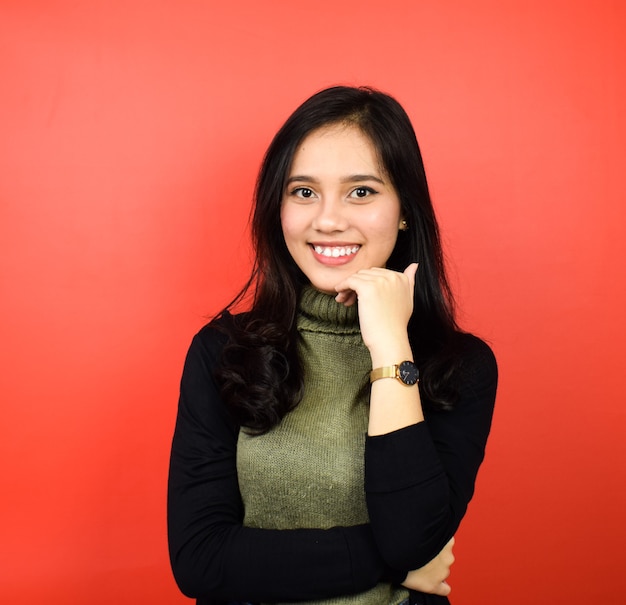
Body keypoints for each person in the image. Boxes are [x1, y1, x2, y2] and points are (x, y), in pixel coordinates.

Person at [167, 86, 497, 605]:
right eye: (304, 192)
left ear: (405, 209)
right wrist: (392, 564)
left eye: (360, 192)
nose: (327, 220)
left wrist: (391, 347)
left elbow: (412, 533)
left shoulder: (459, 367)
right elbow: (202, 561)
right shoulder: (223, 352)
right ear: (278, 208)